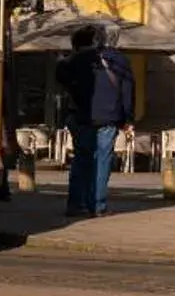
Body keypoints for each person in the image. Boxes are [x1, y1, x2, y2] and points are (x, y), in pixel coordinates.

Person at [53, 24, 133, 219]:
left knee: (82, 159)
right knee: (103, 160)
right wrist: (127, 118)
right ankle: (97, 205)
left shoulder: (78, 59)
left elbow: (60, 76)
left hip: (81, 115)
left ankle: (75, 204)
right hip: (109, 117)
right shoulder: (120, 60)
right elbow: (128, 91)